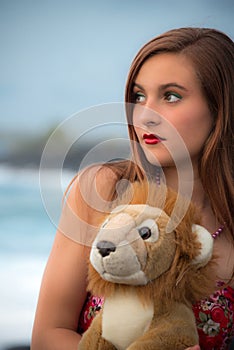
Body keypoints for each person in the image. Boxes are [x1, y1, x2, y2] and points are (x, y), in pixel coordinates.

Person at [31, 27, 234, 350]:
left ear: (220, 108)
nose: (145, 115)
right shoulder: (103, 189)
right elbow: (47, 336)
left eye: (171, 96)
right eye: (139, 96)